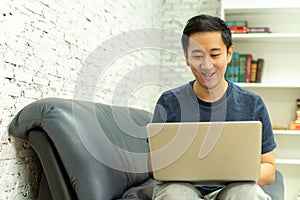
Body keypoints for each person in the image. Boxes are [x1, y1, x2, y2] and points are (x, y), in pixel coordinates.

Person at [148, 14, 276, 199]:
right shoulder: (168, 102)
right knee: (175, 195)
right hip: (181, 189)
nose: (207, 65)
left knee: (247, 194)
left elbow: (269, 168)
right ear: (186, 57)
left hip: (233, 189)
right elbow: (154, 167)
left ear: (229, 53)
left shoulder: (253, 104)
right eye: (197, 56)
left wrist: (235, 172)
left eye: (215, 54)